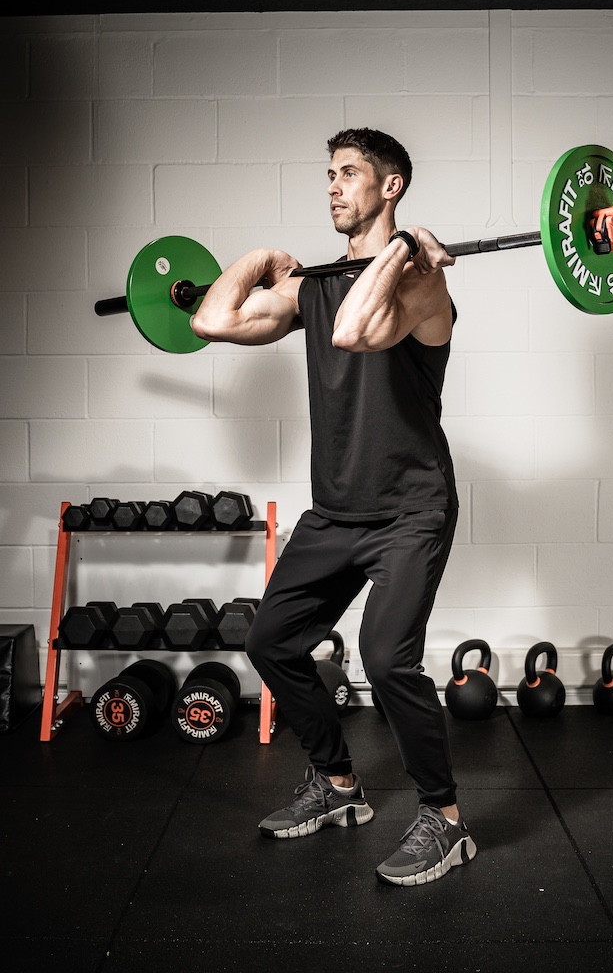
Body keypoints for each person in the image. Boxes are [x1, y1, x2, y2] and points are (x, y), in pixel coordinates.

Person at [191, 127, 476, 887]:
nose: (332, 186)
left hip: (411, 507)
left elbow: (355, 333)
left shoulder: (421, 283)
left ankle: (443, 821)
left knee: (386, 660)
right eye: (327, 174)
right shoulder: (314, 283)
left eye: (348, 173)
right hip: (337, 511)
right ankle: (338, 786)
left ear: (391, 187)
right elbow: (210, 321)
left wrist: (404, 254)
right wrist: (258, 261)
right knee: (271, 642)